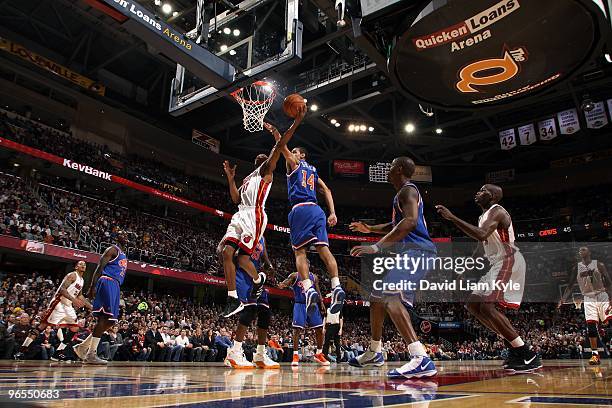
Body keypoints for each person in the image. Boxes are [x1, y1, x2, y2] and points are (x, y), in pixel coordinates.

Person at [436, 184, 541, 373]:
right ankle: (513, 346)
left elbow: (481, 233)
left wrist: (452, 218)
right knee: (473, 304)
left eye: (483, 190)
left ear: (492, 196)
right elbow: (480, 244)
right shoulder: (482, 217)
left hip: (509, 259)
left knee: (487, 305)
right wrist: (466, 268)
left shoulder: (497, 211)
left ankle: (526, 353)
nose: (477, 192)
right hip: (496, 263)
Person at [349, 156, 437, 378]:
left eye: (390, 166)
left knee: (390, 297)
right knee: (377, 296)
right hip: (412, 252)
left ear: (398, 169)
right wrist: (369, 229)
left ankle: (420, 357)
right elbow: (396, 223)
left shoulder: (408, 190)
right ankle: (375, 351)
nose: (387, 169)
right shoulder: (403, 194)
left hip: (419, 252)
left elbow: (410, 222)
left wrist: (377, 247)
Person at [219, 108, 306, 317]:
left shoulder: (267, 169)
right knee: (226, 253)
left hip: (254, 216)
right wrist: (231, 179)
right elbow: (235, 199)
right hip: (240, 214)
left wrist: (294, 123)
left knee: (241, 259)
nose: (261, 155)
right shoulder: (249, 176)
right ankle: (233, 298)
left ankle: (258, 280)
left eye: (266, 155)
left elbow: (280, 144)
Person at [269, 127, 345, 315]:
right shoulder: (314, 171)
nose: (292, 154)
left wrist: (275, 132)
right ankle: (336, 286)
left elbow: (281, 144)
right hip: (318, 211)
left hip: (300, 210)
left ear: (302, 155)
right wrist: (333, 213)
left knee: (299, 252)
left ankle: (308, 289)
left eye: (295, 152)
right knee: (324, 249)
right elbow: (327, 190)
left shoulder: (295, 162)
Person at [73, 232, 129, 364]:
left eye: (127, 235)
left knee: (111, 321)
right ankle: (91, 354)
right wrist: (92, 286)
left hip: (115, 285)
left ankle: (83, 347)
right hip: (107, 281)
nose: (126, 236)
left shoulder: (123, 254)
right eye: (122, 234)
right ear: (117, 237)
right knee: (104, 318)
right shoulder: (112, 249)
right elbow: (99, 267)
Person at [225, 237, 279, 369]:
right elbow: (235, 256)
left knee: (265, 312)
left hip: (256, 275)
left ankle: (260, 354)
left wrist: (269, 265)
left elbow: (264, 257)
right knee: (250, 310)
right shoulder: (245, 230)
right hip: (242, 275)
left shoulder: (262, 237)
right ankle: (234, 352)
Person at [558, 246, 612, 365]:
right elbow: (571, 285)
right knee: (591, 328)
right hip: (588, 298)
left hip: (601, 295)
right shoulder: (576, 268)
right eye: (579, 250)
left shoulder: (599, 265)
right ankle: (595, 355)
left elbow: (608, 282)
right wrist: (563, 299)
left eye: (583, 249)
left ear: (589, 252)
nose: (580, 251)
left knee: (610, 321)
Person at [40, 261, 91, 360]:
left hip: (68, 305)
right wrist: (74, 300)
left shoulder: (82, 280)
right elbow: (62, 289)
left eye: (84, 264)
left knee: (75, 328)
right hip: (59, 302)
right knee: (43, 326)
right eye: (81, 264)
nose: (83, 265)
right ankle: (22, 350)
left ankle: (58, 353)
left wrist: (91, 307)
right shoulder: (72, 275)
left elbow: (80, 296)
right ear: (76, 267)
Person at [278, 271, 329, 366]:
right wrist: (283, 284)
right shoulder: (294, 275)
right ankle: (295, 355)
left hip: (312, 304)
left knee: (319, 329)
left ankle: (319, 353)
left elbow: (318, 291)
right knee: (297, 330)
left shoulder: (314, 277)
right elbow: (287, 282)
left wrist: (321, 303)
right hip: (300, 304)